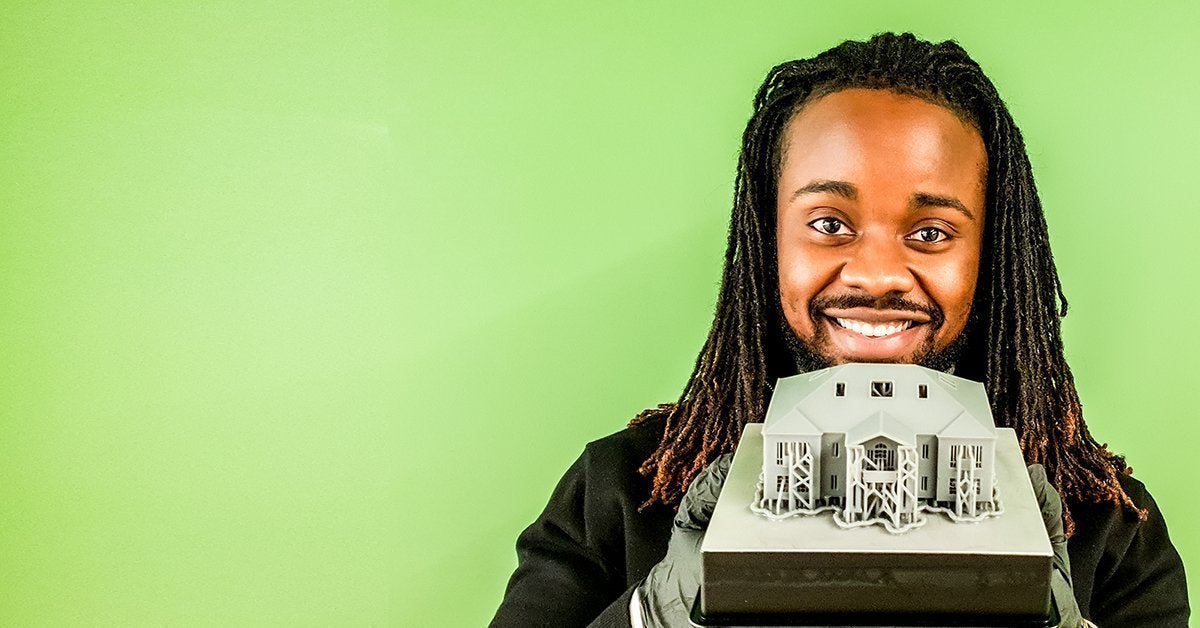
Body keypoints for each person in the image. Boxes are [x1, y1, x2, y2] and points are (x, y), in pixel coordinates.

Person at [489, 33, 1189, 627]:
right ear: (769, 241)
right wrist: (656, 613)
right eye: (828, 223)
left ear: (991, 254)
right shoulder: (620, 491)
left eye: (931, 232)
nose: (878, 273)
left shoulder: (1107, 531)